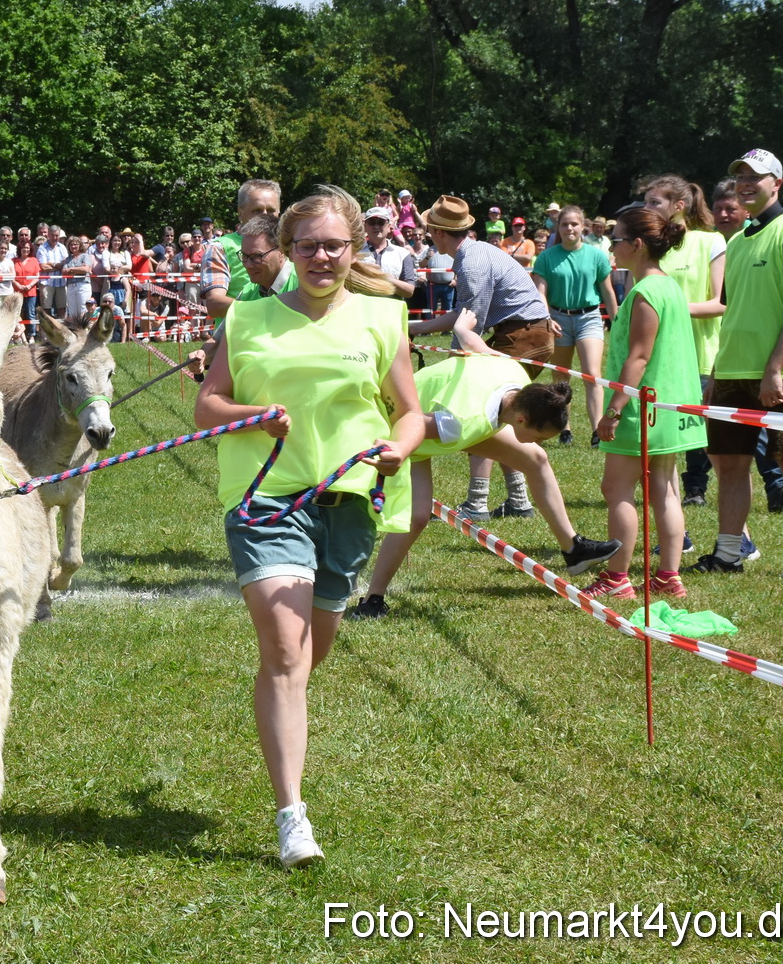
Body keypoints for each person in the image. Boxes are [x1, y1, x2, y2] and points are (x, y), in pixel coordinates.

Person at [195, 185, 423, 868]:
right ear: (287, 252)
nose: (322, 257)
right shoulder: (249, 319)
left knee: (304, 655)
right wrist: (252, 415)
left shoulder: (384, 319)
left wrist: (401, 447)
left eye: (334, 245)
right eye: (309, 246)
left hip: (349, 503)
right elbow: (207, 404)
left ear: (355, 249)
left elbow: (408, 410)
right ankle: (292, 815)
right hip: (265, 499)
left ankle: (278, 695)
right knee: (289, 652)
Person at [350, 310, 621, 619]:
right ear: (521, 419)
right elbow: (406, 423)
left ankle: (574, 549)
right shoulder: (460, 422)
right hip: (410, 430)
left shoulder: (512, 372)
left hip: (458, 425)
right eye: (538, 436)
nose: (538, 441)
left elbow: (471, 341)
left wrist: (462, 326)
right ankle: (372, 599)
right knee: (418, 516)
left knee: (536, 459)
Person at [692, 149, 783, 577]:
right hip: (733, 371)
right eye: (740, 176)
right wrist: (716, 373)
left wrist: (774, 369)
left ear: (777, 183)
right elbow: (734, 314)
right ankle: (729, 553)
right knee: (729, 462)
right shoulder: (739, 240)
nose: (745, 183)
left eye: (756, 176)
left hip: (782, 372)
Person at [582, 206, 707, 601]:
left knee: (616, 489)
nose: (610, 248)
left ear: (636, 245)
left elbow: (638, 357)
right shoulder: (669, 286)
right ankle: (669, 576)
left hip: (642, 409)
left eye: (615, 240)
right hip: (670, 408)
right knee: (666, 490)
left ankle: (617, 578)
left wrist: (614, 409)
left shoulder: (644, 293)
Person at [411, 196, 556, 522]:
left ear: (436, 231)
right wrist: (414, 327)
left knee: (484, 410)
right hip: (520, 333)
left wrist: (453, 364)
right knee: (500, 413)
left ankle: (478, 503)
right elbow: (465, 317)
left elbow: (469, 321)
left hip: (524, 336)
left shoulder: (471, 261)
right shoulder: (473, 253)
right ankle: (518, 500)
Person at [640, 176, 728, 510]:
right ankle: (673, 506)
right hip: (659, 356)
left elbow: (720, 302)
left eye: (654, 202)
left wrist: (671, 309)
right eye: (646, 202)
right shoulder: (650, 244)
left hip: (700, 354)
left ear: (679, 206)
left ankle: (701, 492)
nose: (647, 209)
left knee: (706, 438)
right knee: (663, 439)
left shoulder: (710, 242)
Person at [529, 204, 617, 446]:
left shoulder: (597, 256)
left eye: (574, 224)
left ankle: (597, 431)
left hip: (589, 318)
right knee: (560, 379)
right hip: (557, 319)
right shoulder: (546, 257)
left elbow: (608, 293)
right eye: (565, 224)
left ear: (582, 227)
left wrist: (617, 320)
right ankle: (564, 429)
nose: (569, 228)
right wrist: (546, 320)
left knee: (593, 375)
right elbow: (540, 294)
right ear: (558, 227)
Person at [202, 179, 282, 318]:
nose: (264, 216)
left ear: (279, 213)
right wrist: (266, 310)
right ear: (240, 213)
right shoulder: (220, 247)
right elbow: (215, 304)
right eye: (257, 210)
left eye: (270, 210)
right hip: (235, 335)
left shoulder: (291, 245)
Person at [357, 206, 417, 298]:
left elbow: (409, 291)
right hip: (362, 309)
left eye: (381, 223)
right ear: (365, 226)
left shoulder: (402, 253)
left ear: (389, 226)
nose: (376, 226)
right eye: (372, 222)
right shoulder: (354, 253)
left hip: (392, 310)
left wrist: (383, 277)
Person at [13, 237, 41, 340]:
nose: (26, 250)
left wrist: (30, 285)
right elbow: (11, 276)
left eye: (28, 248)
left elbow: (37, 276)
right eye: (24, 248)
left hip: (31, 291)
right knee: (17, 314)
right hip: (17, 291)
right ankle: (18, 336)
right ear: (20, 248)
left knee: (30, 313)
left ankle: (32, 335)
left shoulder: (34, 260)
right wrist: (18, 285)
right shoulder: (14, 261)